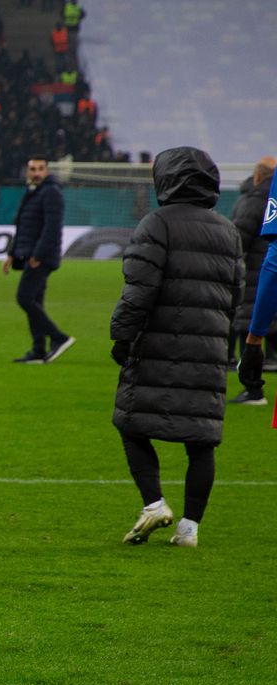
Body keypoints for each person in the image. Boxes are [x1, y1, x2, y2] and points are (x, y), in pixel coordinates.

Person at [111, 147, 244, 548]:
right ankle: (189, 529)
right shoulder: (227, 230)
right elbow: (236, 294)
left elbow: (139, 289)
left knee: (131, 424)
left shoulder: (157, 223)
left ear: (165, 179)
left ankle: (154, 503)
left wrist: (122, 336)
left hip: (158, 343)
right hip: (210, 347)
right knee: (201, 440)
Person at [2, 156, 75, 364]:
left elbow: (52, 228)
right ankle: (38, 349)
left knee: (24, 298)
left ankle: (59, 337)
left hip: (40, 257)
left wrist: (38, 255)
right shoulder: (34, 191)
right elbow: (23, 227)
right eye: (32, 169)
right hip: (31, 253)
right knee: (35, 301)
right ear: (27, 171)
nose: (36, 173)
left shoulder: (51, 192)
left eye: (40, 169)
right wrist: (11, 253)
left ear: (47, 171)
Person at [229, 157, 276, 404]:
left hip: (257, 275)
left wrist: (254, 338)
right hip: (262, 273)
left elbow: (274, 261)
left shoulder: (254, 199)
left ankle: (253, 388)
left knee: (245, 322)